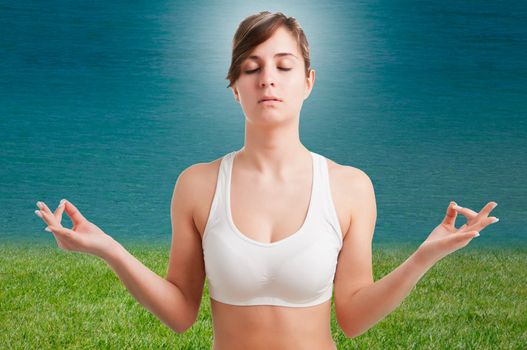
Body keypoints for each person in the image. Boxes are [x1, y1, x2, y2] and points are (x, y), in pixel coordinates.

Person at [34, 11, 499, 350]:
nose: (267, 80)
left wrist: (424, 257)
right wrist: (108, 249)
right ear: (234, 86)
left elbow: (353, 318)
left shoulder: (350, 186)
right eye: (251, 68)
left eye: (283, 66)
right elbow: (180, 313)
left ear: (309, 81)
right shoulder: (196, 185)